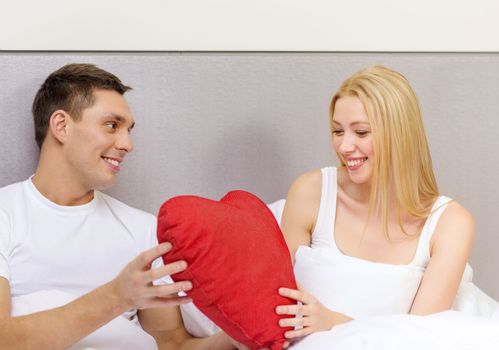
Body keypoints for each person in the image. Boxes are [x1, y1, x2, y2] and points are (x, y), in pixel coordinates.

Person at [0, 63, 238, 349]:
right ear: (62, 126)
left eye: (128, 130)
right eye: (112, 126)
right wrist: (116, 297)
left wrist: (238, 339)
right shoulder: (6, 215)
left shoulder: (143, 229)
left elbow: (171, 343)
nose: (127, 144)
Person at [274, 65, 493, 341]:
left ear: (399, 135)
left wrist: (333, 321)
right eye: (338, 131)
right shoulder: (310, 192)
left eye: (361, 133)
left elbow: (420, 338)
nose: (343, 147)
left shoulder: (450, 224)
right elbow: (277, 302)